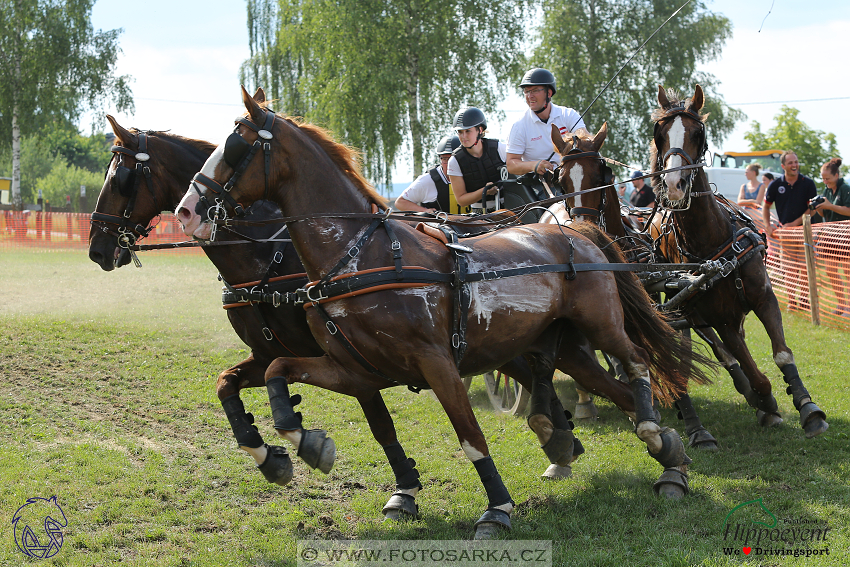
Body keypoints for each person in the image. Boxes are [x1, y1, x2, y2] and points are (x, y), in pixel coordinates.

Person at [762, 151, 818, 311]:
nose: (794, 165)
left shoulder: (808, 183)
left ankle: (805, 301)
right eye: (791, 163)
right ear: (783, 166)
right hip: (785, 234)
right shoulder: (775, 185)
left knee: (806, 266)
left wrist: (794, 223)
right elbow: (765, 206)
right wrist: (768, 225)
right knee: (789, 268)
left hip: (805, 232)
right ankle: (792, 302)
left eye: (796, 162)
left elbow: (812, 209)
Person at [506, 68, 586, 177]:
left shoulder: (568, 115)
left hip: (572, 176)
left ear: (549, 93)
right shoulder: (519, 126)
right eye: (527, 91)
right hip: (540, 184)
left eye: (535, 90)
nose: (530, 96)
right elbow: (511, 164)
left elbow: (585, 141)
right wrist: (534, 165)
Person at [447, 107, 506, 209]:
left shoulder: (500, 148)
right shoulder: (454, 161)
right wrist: (484, 191)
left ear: (480, 130)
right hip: (479, 213)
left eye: (468, 131)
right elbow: (461, 200)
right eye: (460, 132)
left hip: (510, 207)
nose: (463, 136)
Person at [812, 158, 850, 316]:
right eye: (822, 178)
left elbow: (848, 211)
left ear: (836, 175)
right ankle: (841, 304)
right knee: (830, 270)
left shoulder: (846, 188)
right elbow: (825, 213)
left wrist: (829, 206)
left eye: (827, 178)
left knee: (848, 272)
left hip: (845, 234)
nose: (824, 181)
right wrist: (820, 208)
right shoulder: (827, 190)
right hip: (830, 235)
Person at [395, 135, 460, 213]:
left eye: (453, 159)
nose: (450, 164)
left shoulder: (473, 176)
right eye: (445, 159)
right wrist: (425, 211)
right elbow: (400, 202)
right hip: (438, 224)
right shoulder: (427, 180)